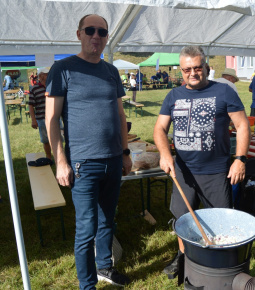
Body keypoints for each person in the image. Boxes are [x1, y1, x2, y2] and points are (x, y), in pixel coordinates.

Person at [45, 14, 132, 289]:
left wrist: (126, 152)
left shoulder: (111, 71)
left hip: (114, 159)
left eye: (102, 32)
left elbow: (120, 114)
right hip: (83, 162)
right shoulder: (63, 68)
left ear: (106, 37)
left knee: (108, 218)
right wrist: (60, 161)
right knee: (86, 228)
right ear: (79, 33)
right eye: (91, 30)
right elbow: (52, 119)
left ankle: (105, 266)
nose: (97, 36)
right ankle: (87, 285)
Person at [153, 45, 250, 279]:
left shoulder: (224, 92)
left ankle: (217, 260)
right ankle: (183, 257)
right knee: (182, 217)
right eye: (187, 69)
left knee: (220, 220)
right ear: (181, 71)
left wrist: (240, 159)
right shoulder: (174, 95)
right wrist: (165, 155)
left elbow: (242, 125)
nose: (193, 73)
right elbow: (159, 128)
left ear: (206, 67)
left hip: (216, 172)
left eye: (197, 68)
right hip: (183, 171)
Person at [28, 67, 53, 159]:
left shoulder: (53, 86)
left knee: (57, 139)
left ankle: (59, 157)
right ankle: (49, 158)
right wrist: (33, 120)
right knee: (45, 140)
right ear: (41, 76)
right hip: (41, 118)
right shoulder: (34, 89)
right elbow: (30, 105)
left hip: (54, 118)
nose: (48, 75)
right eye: (46, 74)